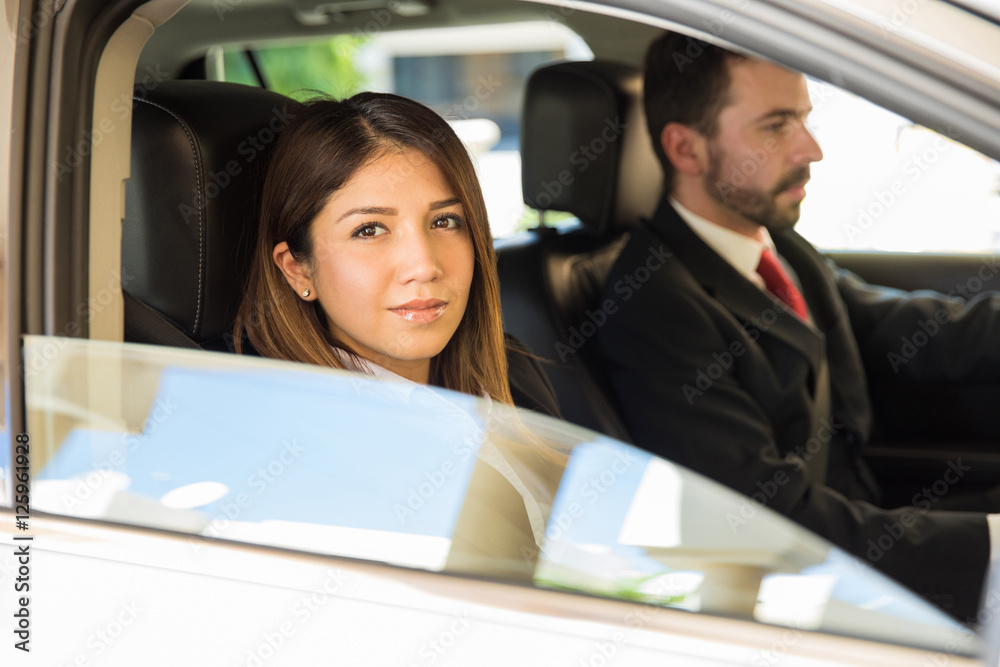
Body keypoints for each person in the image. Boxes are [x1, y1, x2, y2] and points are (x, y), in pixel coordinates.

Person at [598, 31, 1000, 620]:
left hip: (860, 528)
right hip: (807, 590)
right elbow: (767, 518)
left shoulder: (774, 244)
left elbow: (901, 328)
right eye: (775, 126)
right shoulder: (655, 306)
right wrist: (990, 544)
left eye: (804, 120)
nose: (812, 149)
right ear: (686, 149)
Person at [233, 92, 559, 417]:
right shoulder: (280, 429)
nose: (424, 266)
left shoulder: (515, 375)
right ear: (299, 270)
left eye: (444, 222)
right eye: (369, 230)